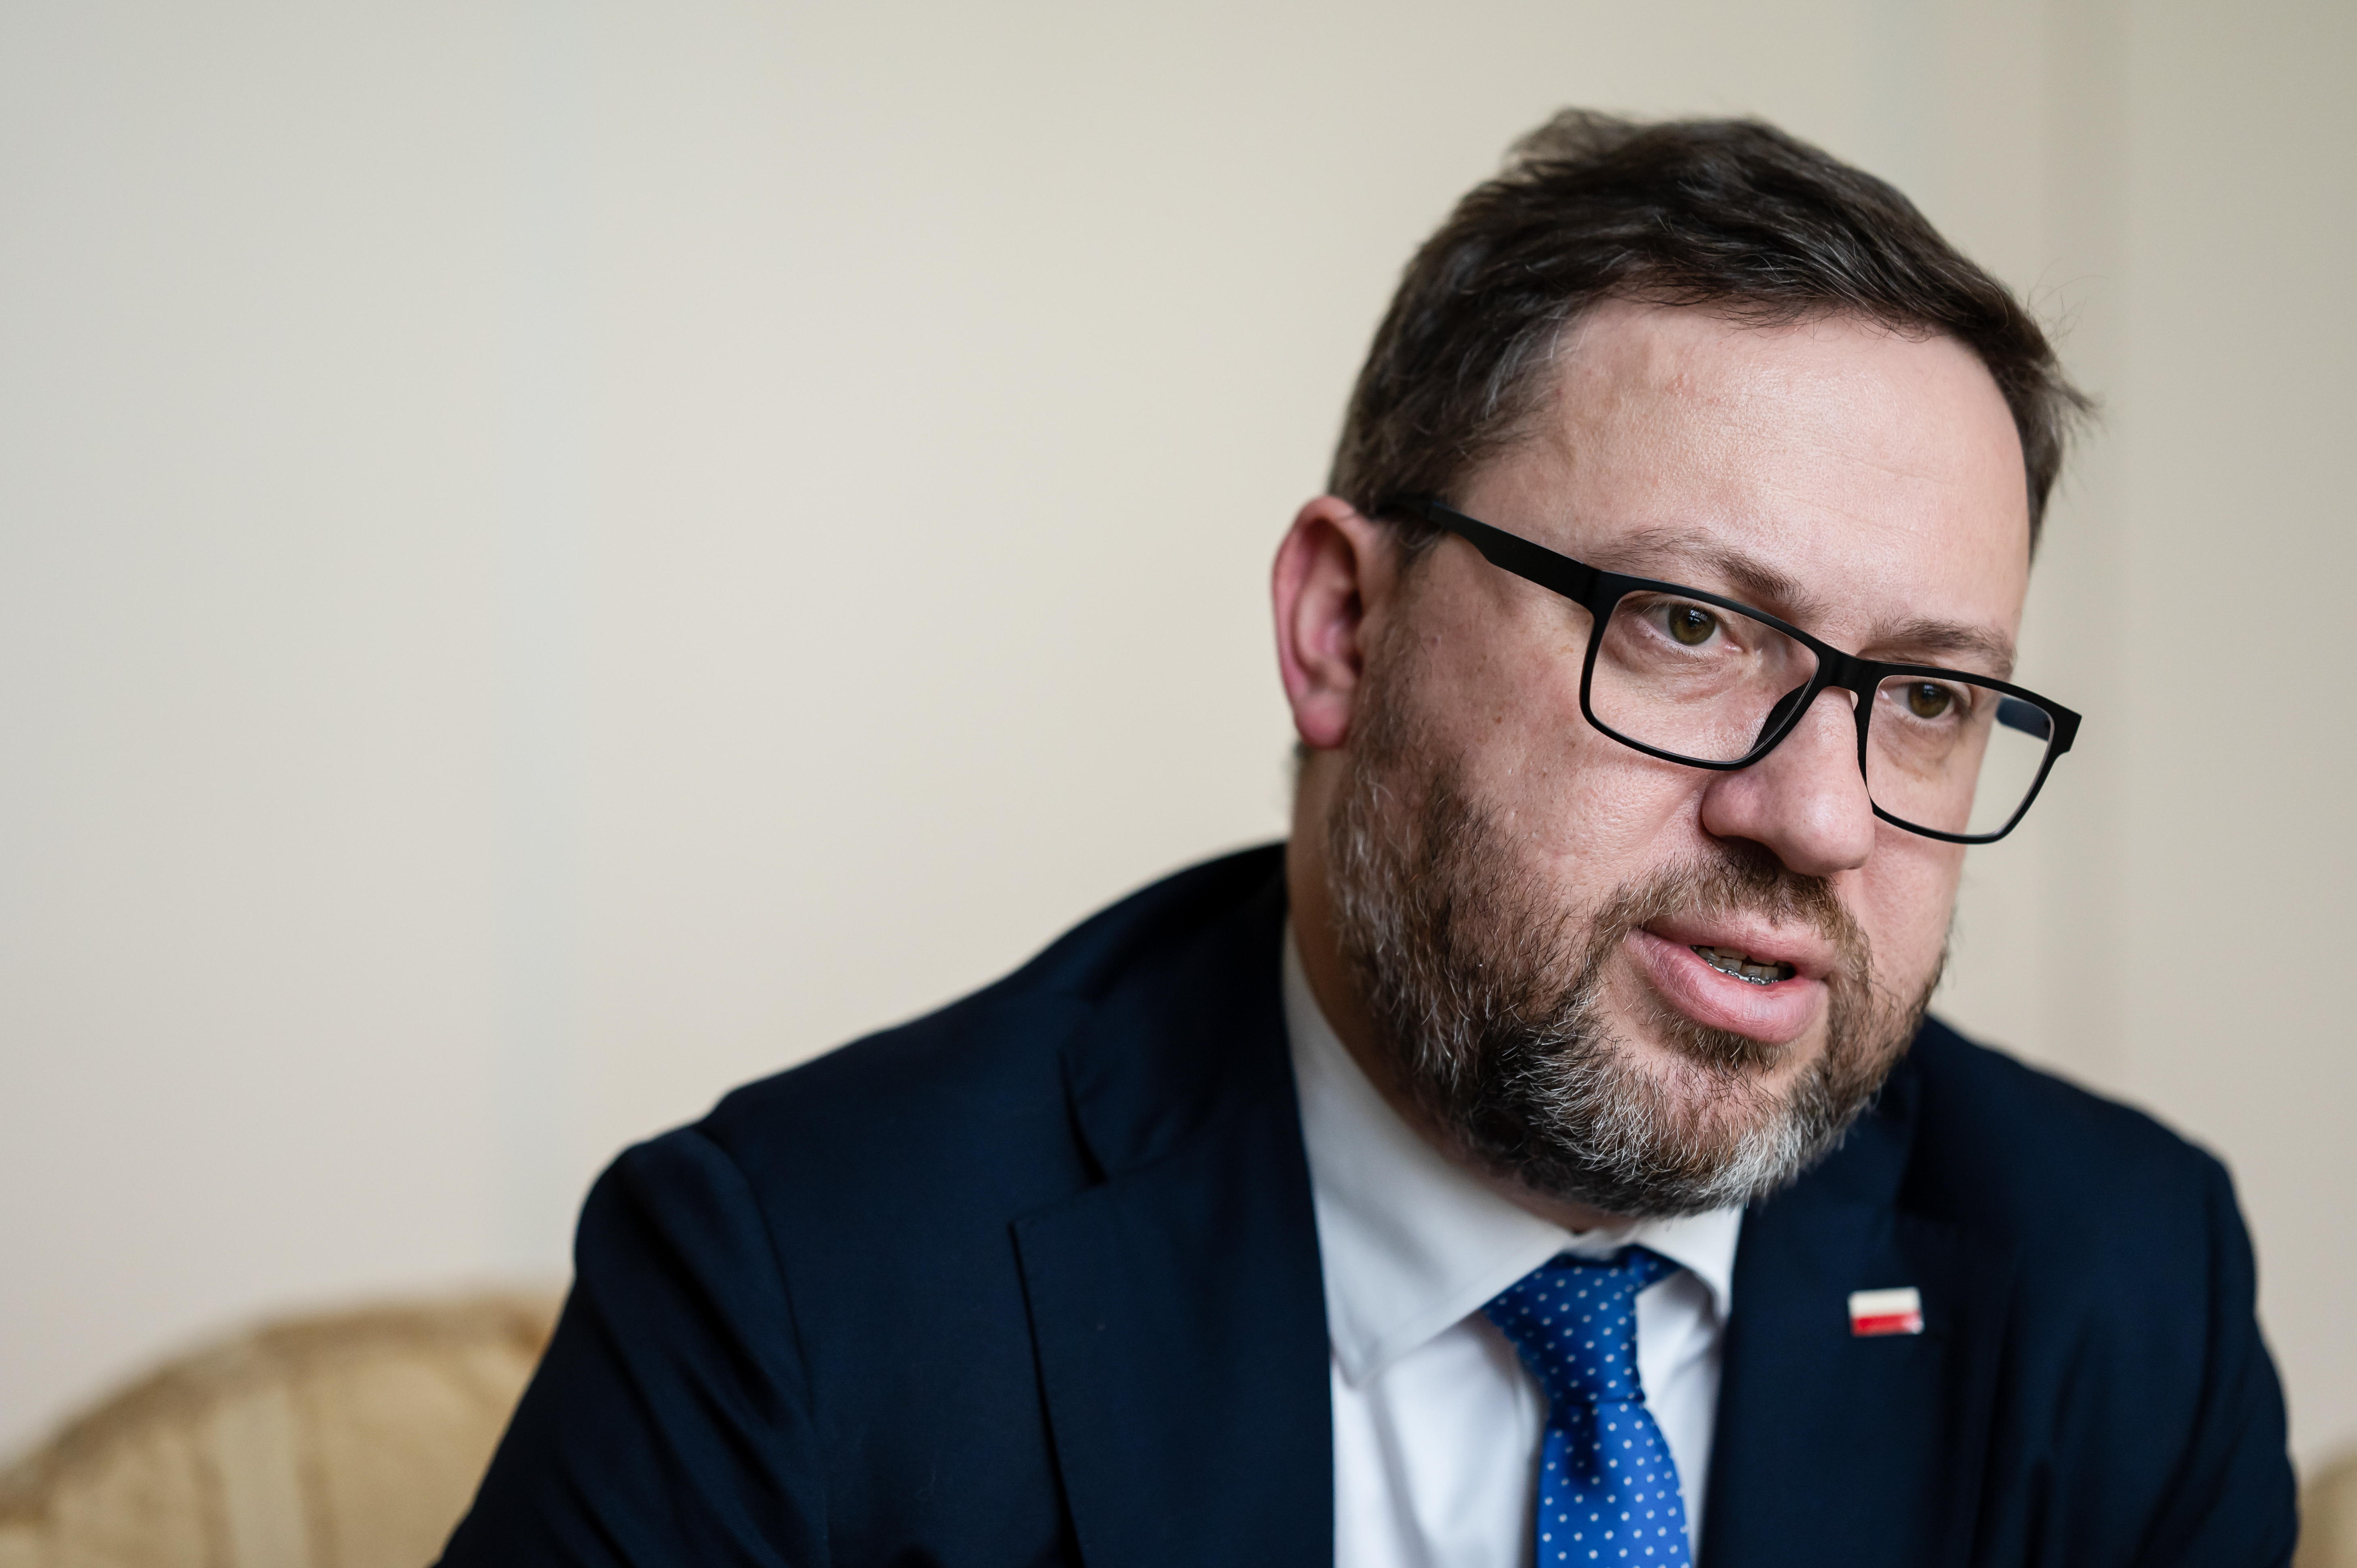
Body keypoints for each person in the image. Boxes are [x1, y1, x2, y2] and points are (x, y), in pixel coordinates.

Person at [440, 112, 2297, 1568]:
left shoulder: (2121, 1295)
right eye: (1689, 625)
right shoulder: (803, 1288)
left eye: (1931, 696)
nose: (1815, 818)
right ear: (1341, 626)